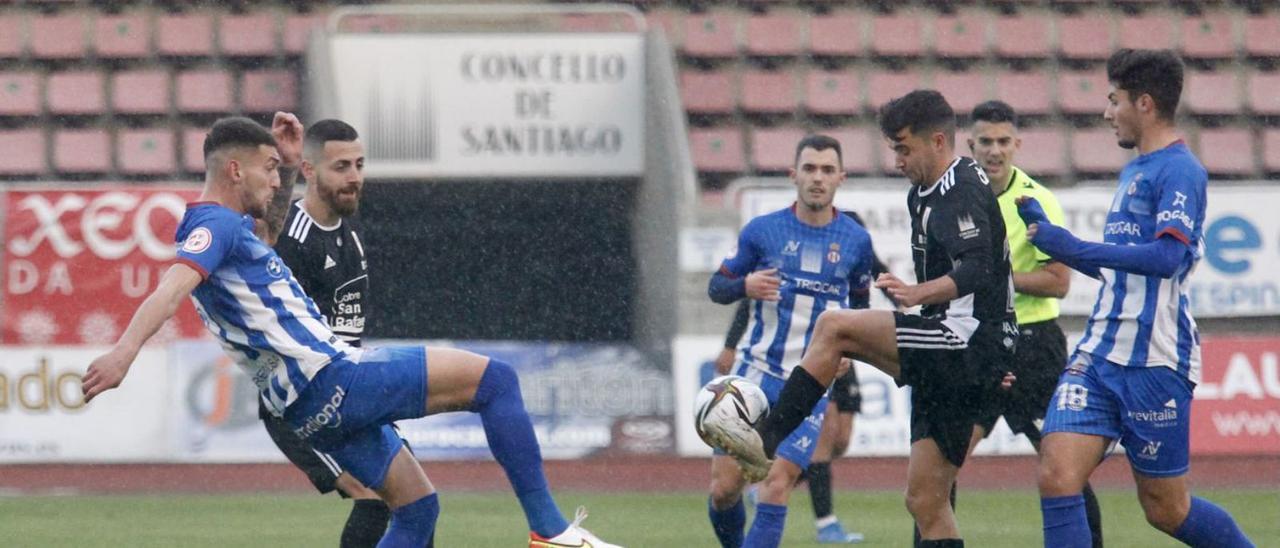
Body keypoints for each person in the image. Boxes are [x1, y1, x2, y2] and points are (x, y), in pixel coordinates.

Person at [81, 116, 621, 548]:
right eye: (270, 169)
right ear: (235, 171)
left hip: (305, 408)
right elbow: (171, 287)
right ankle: (550, 533)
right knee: (496, 382)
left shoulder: (229, 230)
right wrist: (126, 351)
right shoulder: (214, 225)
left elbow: (266, 237)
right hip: (332, 378)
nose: (277, 180)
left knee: (415, 510)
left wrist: (291, 164)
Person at [719, 90, 1019, 548]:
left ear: (937, 141)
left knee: (834, 327)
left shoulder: (960, 190)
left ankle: (766, 439)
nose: (897, 160)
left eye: (903, 148)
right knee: (926, 501)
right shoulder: (925, 191)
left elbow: (979, 268)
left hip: (965, 344)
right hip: (966, 349)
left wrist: (918, 294)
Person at [1020, 49, 1255, 548]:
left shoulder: (1180, 172)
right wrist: (1052, 238)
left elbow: (1169, 258)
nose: (1108, 114)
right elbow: (1122, 270)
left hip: (1155, 361)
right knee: (1057, 473)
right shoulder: (1136, 170)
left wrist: (1075, 246)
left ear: (1144, 104)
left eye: (1114, 101)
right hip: (1099, 353)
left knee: (1166, 510)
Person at [946, 100, 1104, 547]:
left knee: (1062, 467)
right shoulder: (955, 201)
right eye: (985, 142)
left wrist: (1000, 278)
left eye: (1002, 142)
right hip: (977, 344)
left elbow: (1058, 283)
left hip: (1034, 347)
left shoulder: (1036, 201)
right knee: (942, 462)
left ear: (1016, 145)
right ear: (970, 145)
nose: (994, 151)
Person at [705, 134, 876, 548]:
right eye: (810, 169)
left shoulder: (856, 240)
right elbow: (716, 286)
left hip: (811, 382)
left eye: (827, 170)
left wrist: (849, 351)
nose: (818, 178)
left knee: (777, 481)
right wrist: (744, 284)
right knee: (724, 490)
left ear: (841, 178)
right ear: (793, 174)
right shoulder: (763, 232)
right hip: (753, 376)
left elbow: (860, 307)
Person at [254, 118, 392, 547]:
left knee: (410, 497)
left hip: (349, 395)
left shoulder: (350, 233)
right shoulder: (291, 238)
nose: (354, 177)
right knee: (374, 498)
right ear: (311, 171)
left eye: (359, 165)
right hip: (300, 406)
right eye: (341, 167)